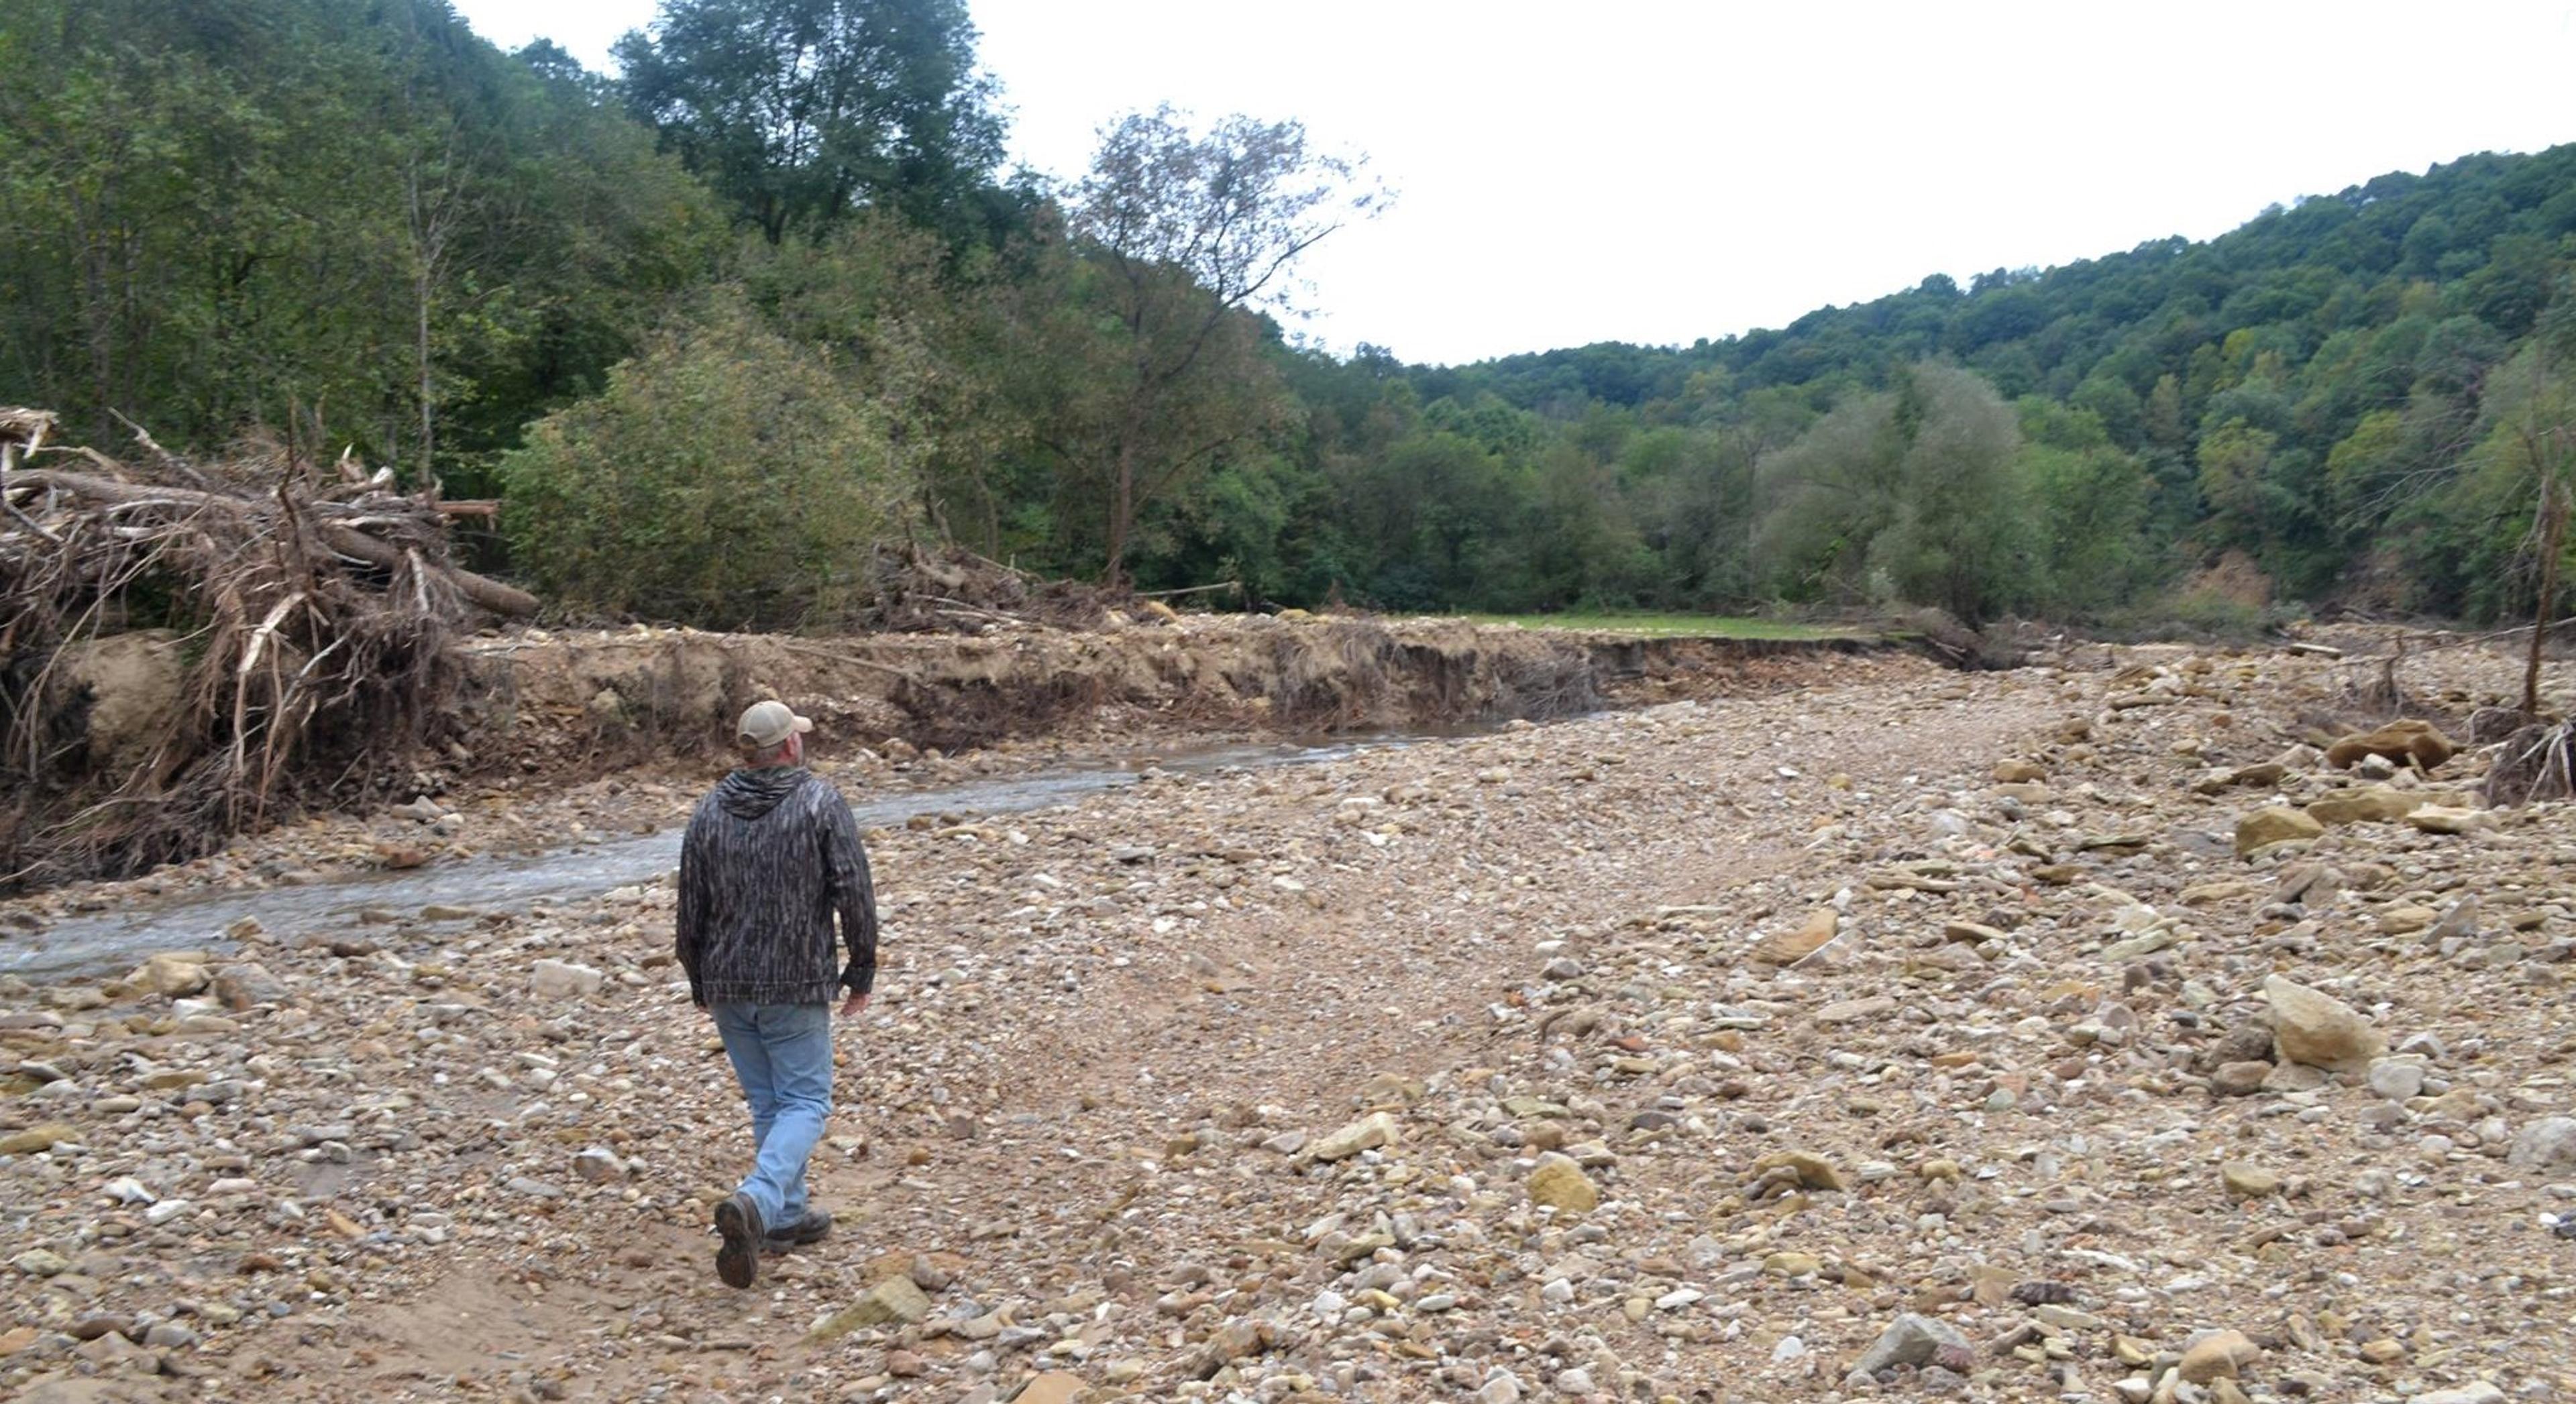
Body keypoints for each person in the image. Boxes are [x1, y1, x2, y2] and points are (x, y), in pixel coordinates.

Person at [676, 699, 879, 1289]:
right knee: (807, 1103)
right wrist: (861, 966)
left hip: (729, 979)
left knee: (771, 1103)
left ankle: (786, 1215)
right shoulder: (820, 800)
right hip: (793, 980)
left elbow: (692, 903)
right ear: (790, 746)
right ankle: (759, 1199)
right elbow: (853, 888)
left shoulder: (709, 809)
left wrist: (697, 977)